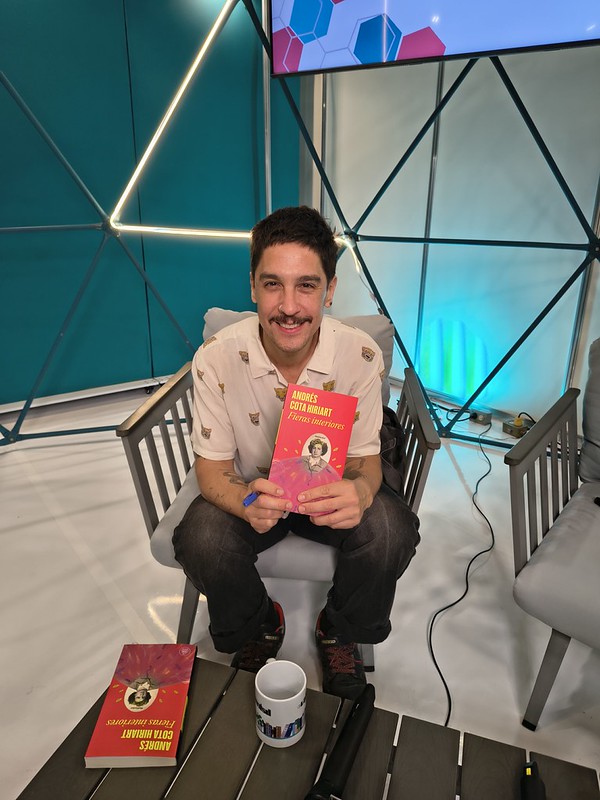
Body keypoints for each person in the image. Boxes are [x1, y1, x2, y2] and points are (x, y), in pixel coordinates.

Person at [173, 206, 420, 700]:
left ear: (329, 290)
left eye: (306, 285)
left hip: (328, 493)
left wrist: (360, 492)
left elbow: (366, 461)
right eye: (273, 285)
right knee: (199, 538)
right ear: (252, 286)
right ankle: (260, 623)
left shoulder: (359, 356)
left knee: (392, 531)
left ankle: (339, 629)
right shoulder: (216, 358)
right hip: (255, 493)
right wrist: (246, 501)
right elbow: (212, 470)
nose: (289, 307)